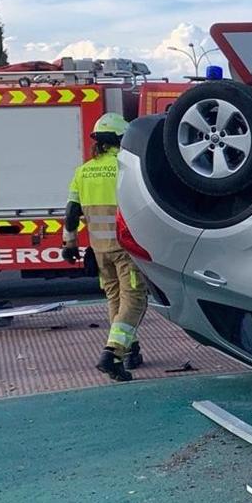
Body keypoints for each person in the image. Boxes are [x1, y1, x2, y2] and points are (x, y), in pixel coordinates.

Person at [63, 113, 147, 382]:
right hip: (125, 247)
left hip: (100, 249)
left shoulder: (83, 171)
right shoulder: (124, 167)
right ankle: (112, 354)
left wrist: (70, 243)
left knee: (115, 299)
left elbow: (71, 212)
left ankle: (129, 348)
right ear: (119, 140)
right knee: (134, 299)